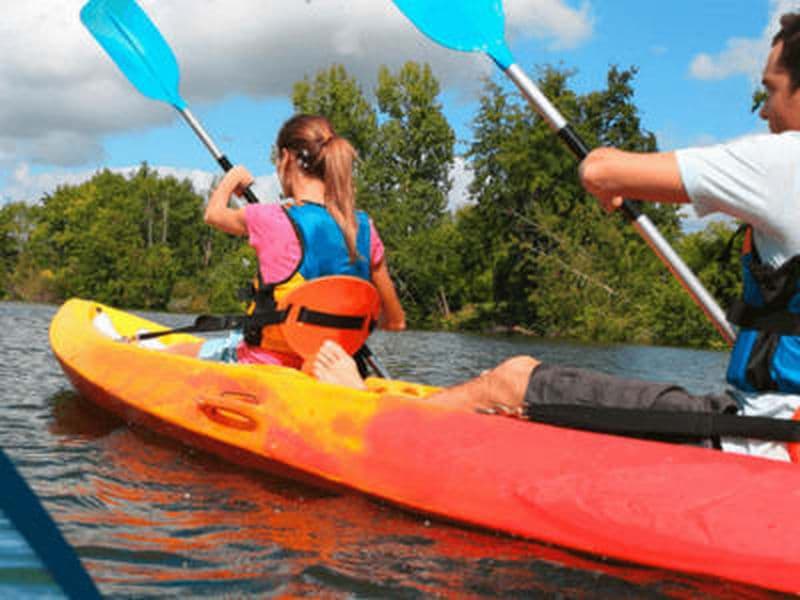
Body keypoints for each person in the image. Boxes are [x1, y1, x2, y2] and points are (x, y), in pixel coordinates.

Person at [312, 13, 800, 462]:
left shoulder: (785, 161)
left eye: (771, 90)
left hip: (761, 438)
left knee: (513, 378)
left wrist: (610, 177)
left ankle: (372, 422)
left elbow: (600, 169)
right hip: (768, 422)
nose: (763, 111)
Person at [178, 114, 405, 368]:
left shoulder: (270, 218)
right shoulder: (364, 227)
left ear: (287, 158)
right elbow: (395, 322)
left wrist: (232, 177)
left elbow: (214, 214)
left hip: (265, 365)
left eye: (277, 159)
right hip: (333, 369)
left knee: (172, 352)